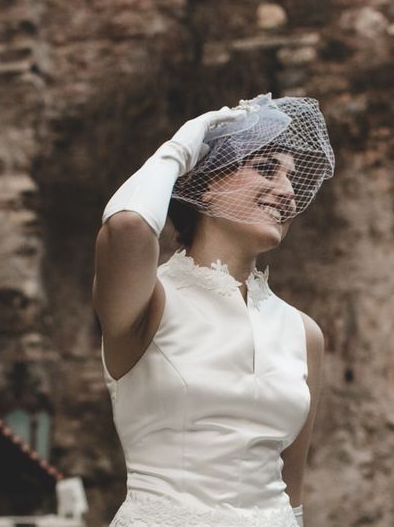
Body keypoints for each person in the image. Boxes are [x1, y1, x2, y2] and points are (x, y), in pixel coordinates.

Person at [93, 93, 335, 527]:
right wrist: (177, 151)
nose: (287, 192)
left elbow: (293, 494)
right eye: (265, 169)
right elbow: (127, 226)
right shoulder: (150, 299)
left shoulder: (304, 332)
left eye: (291, 179)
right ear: (204, 182)